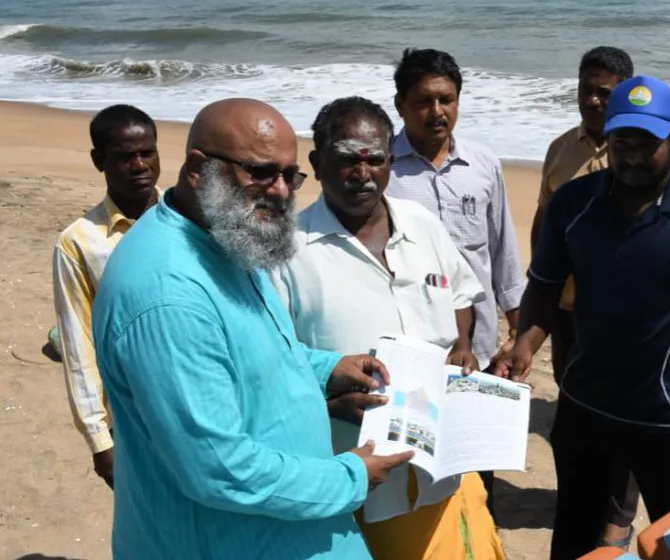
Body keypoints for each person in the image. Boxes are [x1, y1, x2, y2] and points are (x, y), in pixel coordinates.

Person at [92, 98, 414, 560]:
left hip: (290, 530)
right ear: (199, 169)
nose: (281, 191)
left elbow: (253, 349)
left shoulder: (230, 231)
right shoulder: (167, 294)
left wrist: (328, 369)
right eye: (260, 172)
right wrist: (351, 476)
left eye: (289, 175)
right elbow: (219, 468)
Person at [496, 75, 670, 560]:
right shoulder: (573, 205)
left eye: (648, 143)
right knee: (575, 527)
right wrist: (525, 344)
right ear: (609, 139)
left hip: (667, 414)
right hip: (584, 404)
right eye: (623, 142)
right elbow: (545, 284)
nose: (634, 155)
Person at [271, 96, 505, 560]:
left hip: (447, 471)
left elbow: (460, 296)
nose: (362, 173)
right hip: (358, 483)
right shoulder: (287, 251)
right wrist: (331, 401)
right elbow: (272, 364)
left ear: (390, 162)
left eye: (374, 159)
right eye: (346, 160)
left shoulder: (423, 226)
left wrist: (462, 347)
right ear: (317, 163)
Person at [385, 48, 525, 512]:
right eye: (424, 101)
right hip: (412, 344)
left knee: (476, 458)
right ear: (400, 104)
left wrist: (517, 326)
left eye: (447, 99)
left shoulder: (483, 165)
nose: (437, 111)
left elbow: (502, 247)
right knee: (414, 460)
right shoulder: (382, 170)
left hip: (479, 344)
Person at [529, 45, 643, 549]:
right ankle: (583, 493)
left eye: (606, 91)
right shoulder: (560, 149)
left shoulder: (644, 149)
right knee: (575, 410)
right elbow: (544, 222)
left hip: (624, 316)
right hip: (569, 309)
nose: (593, 100)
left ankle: (618, 520)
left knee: (626, 417)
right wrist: (539, 289)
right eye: (586, 89)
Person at [52, 103, 160, 489]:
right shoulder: (80, 242)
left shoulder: (185, 220)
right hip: (131, 416)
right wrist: (99, 439)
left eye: (147, 153)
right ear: (99, 161)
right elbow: (77, 344)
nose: (139, 166)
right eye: (125, 157)